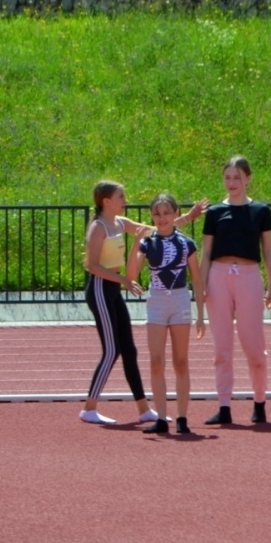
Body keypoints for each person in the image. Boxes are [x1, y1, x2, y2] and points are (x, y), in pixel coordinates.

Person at [198, 155, 271, 426]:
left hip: (249, 277)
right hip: (219, 277)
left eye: (237, 177)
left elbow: (268, 249)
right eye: (228, 177)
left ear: (248, 178)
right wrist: (202, 285)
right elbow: (206, 251)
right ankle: (224, 406)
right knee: (222, 348)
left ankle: (259, 402)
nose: (232, 182)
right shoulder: (215, 212)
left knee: (254, 347)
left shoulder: (261, 211)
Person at [80, 180, 158, 425]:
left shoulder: (120, 223)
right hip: (100, 289)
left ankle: (144, 409)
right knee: (112, 350)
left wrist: (186, 218)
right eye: (121, 196)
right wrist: (123, 279)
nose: (125, 200)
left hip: (113, 288)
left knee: (129, 350)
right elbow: (91, 265)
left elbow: (151, 229)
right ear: (106, 201)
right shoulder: (98, 227)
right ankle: (89, 408)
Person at [133, 193, 206, 435]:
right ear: (151, 216)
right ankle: (162, 417)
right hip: (156, 301)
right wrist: (136, 242)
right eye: (157, 214)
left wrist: (200, 314)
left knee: (181, 361)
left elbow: (196, 278)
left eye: (166, 213)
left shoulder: (187, 243)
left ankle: (182, 417)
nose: (162, 218)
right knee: (156, 362)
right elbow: (132, 272)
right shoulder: (148, 242)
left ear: (175, 214)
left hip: (180, 299)